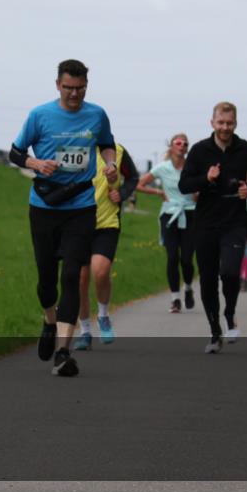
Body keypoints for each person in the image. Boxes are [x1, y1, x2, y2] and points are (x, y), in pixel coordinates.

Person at [10, 59, 117, 377]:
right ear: (58, 85)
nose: (74, 94)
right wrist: (35, 163)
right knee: (46, 279)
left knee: (73, 276)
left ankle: (63, 351)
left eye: (80, 88)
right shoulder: (40, 115)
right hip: (44, 205)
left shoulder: (96, 114)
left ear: (87, 85)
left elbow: (106, 144)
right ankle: (48, 319)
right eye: (68, 88)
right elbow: (14, 152)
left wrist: (109, 164)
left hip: (81, 206)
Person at [179, 102, 247, 353]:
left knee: (229, 273)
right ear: (212, 123)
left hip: (234, 222)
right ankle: (215, 331)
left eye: (229, 123)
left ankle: (229, 312)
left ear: (235, 123)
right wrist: (206, 179)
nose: (225, 127)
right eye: (221, 123)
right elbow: (185, 185)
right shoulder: (199, 150)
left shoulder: (246, 150)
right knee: (207, 279)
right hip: (205, 223)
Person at [74, 143, 139, 350]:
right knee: (80, 280)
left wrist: (122, 193)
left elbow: (133, 178)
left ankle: (103, 315)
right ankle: (84, 331)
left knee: (100, 272)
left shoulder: (117, 151)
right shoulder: (73, 148)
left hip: (107, 223)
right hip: (76, 224)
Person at [137, 133, 197, 313]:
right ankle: (175, 299)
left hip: (190, 214)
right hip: (169, 215)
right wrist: (158, 193)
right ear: (171, 146)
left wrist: (198, 194)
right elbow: (139, 185)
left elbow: (200, 189)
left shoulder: (193, 168)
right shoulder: (162, 167)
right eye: (178, 143)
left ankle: (187, 288)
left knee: (186, 259)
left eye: (185, 144)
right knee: (172, 257)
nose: (182, 146)